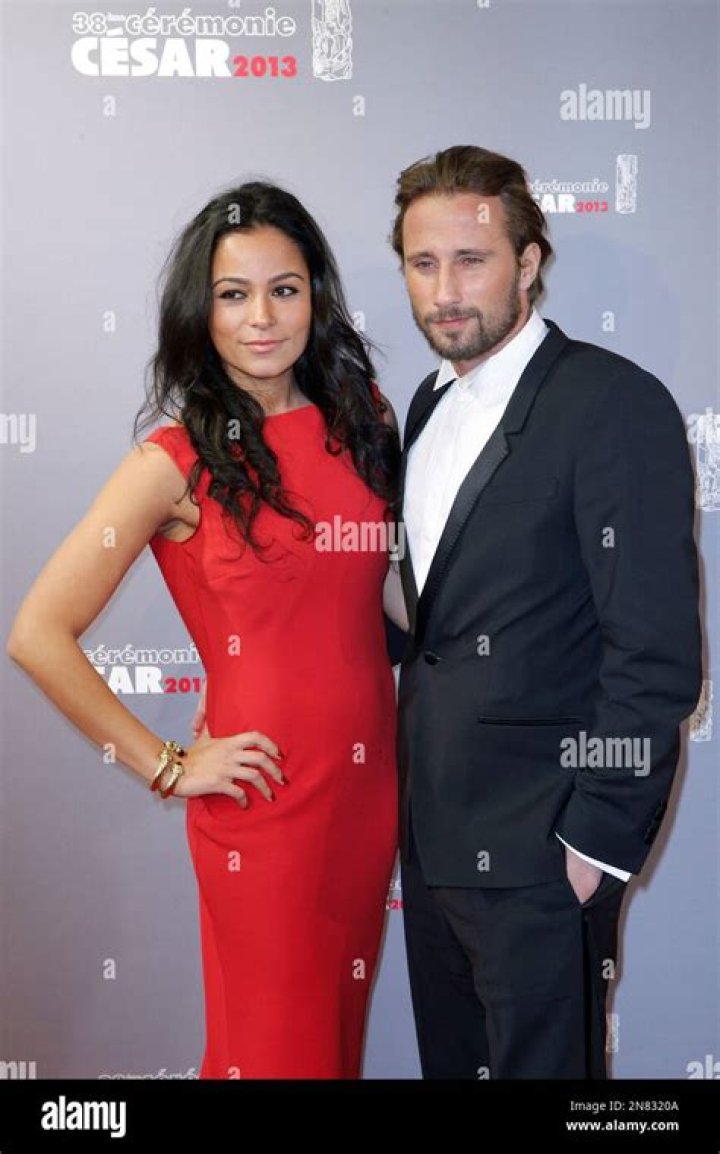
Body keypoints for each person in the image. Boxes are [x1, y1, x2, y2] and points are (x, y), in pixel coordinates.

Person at [7, 180, 408, 1079]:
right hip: (265, 805)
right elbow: (37, 631)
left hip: (368, 791)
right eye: (234, 294)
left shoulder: (364, 420)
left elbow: (378, 594)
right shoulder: (174, 461)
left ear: (316, 297)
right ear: (202, 309)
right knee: (278, 1055)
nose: (262, 317)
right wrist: (168, 765)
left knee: (331, 1051)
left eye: (284, 289)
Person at [389, 145, 702, 1079]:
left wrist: (591, 843)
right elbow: (429, 617)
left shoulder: (613, 404)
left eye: (472, 260)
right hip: (432, 840)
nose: (446, 291)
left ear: (528, 263)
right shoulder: (423, 405)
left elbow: (654, 654)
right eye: (423, 263)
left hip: (542, 848)